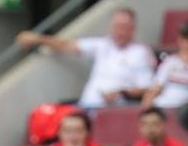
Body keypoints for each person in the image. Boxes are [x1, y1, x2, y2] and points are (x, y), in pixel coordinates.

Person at [16, 8, 156, 109]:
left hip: (114, 111)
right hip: (86, 106)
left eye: (124, 27)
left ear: (133, 28)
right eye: (116, 27)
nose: (120, 32)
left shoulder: (141, 52)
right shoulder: (103, 44)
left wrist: (121, 92)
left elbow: (147, 88)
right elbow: (67, 45)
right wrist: (38, 39)